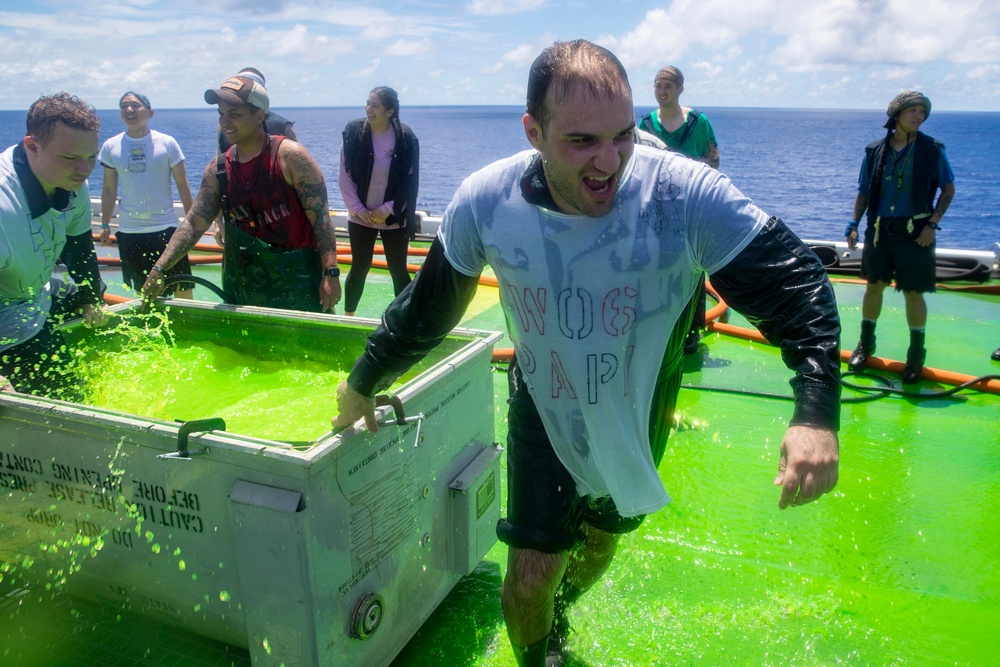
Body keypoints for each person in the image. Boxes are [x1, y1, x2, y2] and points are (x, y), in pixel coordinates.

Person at [332, 40, 841, 666]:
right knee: (526, 581)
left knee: (601, 539)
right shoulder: (487, 201)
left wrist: (815, 411)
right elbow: (428, 309)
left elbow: (797, 286)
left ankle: (562, 609)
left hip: (639, 405)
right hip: (543, 402)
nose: (609, 163)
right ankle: (540, 649)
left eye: (623, 135)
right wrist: (364, 377)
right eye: (581, 142)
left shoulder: (682, 195)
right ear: (534, 131)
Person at [140, 73, 341, 313]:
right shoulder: (219, 169)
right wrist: (160, 269)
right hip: (241, 285)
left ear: (259, 116)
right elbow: (194, 223)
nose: (225, 122)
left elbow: (320, 218)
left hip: (296, 283)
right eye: (221, 115)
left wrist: (331, 272)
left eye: (234, 114)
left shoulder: (290, 157)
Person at [0, 93, 106, 398]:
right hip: (6, 312)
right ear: (31, 146)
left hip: (35, 288)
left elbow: (79, 246)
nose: (85, 170)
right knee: (71, 397)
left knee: (100, 309)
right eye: (71, 158)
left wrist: (90, 298)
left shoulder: (74, 182)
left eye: (91, 157)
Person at [845, 91, 955, 384]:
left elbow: (948, 189)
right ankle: (866, 344)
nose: (919, 116)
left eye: (922, 112)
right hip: (881, 230)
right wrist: (854, 223)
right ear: (897, 115)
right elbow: (865, 191)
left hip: (916, 231)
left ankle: (916, 355)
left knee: (913, 292)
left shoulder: (932, 150)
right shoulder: (875, 151)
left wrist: (932, 225)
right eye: (913, 111)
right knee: (874, 287)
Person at [639, 66, 721, 354]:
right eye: (658, 85)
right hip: (658, 209)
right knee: (657, 266)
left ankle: (690, 330)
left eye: (668, 87)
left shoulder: (699, 123)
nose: (662, 92)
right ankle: (660, 324)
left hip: (690, 207)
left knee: (692, 266)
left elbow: (714, 161)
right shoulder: (646, 124)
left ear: (680, 89)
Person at [99, 92, 195, 299]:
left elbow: (182, 184)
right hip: (130, 231)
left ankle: (187, 329)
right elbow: (108, 188)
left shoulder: (167, 143)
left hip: (166, 227)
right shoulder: (111, 146)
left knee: (182, 287)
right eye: (123, 106)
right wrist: (105, 224)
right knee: (145, 292)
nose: (129, 110)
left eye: (135, 105)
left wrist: (192, 224)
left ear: (150, 112)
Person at [339, 86, 419, 315]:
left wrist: (388, 209)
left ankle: (405, 320)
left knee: (398, 270)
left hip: (393, 215)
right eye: (367, 103)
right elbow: (344, 174)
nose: (368, 109)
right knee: (359, 267)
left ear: (390, 111)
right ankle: (349, 316)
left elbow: (409, 181)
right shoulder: (353, 132)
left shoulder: (406, 139)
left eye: (375, 105)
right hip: (360, 215)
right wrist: (357, 210)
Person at [214, 67, 296, 246]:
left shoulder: (281, 127)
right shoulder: (225, 127)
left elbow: (299, 181)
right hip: (240, 219)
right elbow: (220, 175)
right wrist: (218, 222)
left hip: (279, 223)